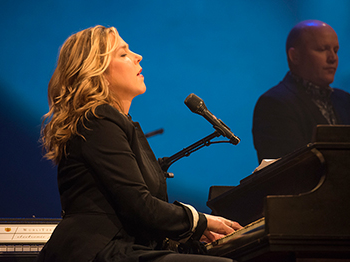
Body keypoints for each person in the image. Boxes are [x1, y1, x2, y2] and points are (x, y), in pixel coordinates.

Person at [37, 25, 242, 262]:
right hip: (96, 251)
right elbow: (140, 206)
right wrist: (200, 220)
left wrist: (191, 231)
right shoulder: (98, 120)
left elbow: (141, 211)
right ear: (97, 71)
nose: (138, 57)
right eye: (123, 54)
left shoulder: (116, 122)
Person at [252, 20, 350, 162]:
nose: (333, 58)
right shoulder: (274, 103)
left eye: (335, 50)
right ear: (295, 56)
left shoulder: (344, 100)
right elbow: (290, 170)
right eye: (322, 49)